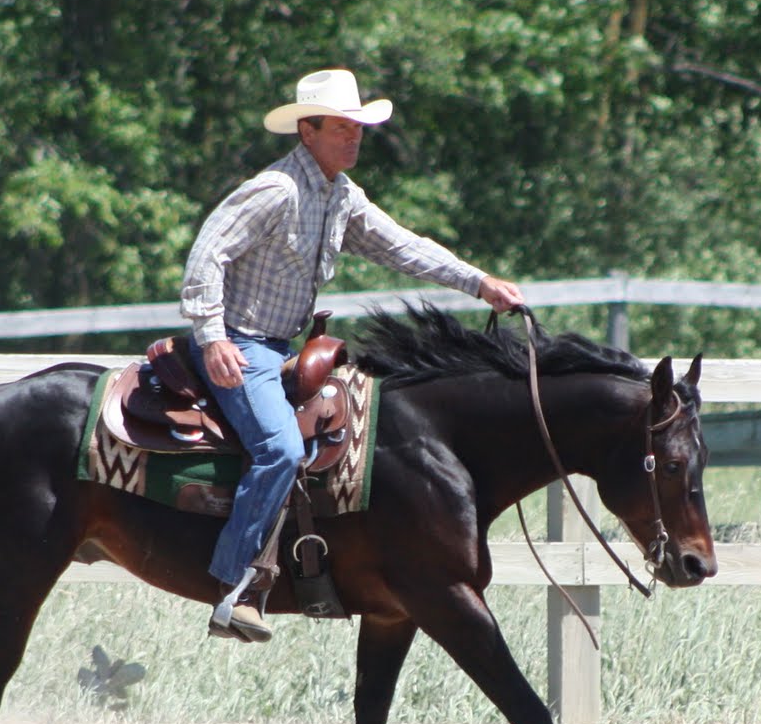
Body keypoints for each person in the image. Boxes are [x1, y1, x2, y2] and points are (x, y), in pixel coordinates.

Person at [180, 68, 525, 642]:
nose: (354, 136)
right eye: (341, 127)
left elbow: (402, 246)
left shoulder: (340, 195)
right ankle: (235, 584)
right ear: (307, 131)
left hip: (281, 346)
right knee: (281, 449)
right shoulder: (276, 190)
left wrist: (478, 282)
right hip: (242, 343)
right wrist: (213, 336)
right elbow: (208, 253)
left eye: (357, 126)